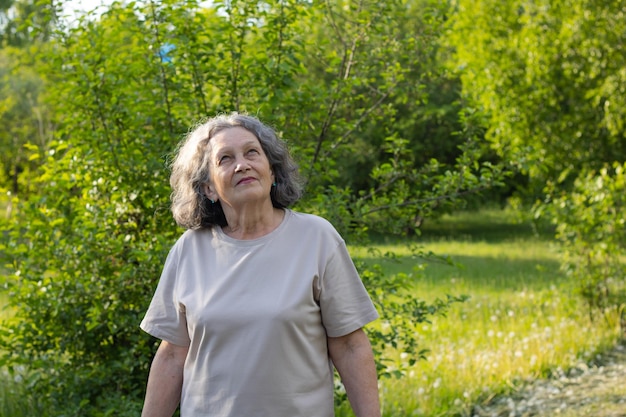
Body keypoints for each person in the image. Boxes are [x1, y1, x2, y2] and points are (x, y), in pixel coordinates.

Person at [140, 113, 381, 417]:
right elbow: (173, 355)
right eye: (225, 159)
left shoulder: (317, 238)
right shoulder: (189, 250)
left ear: (272, 170)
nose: (242, 164)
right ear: (208, 189)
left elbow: (349, 346)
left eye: (252, 152)